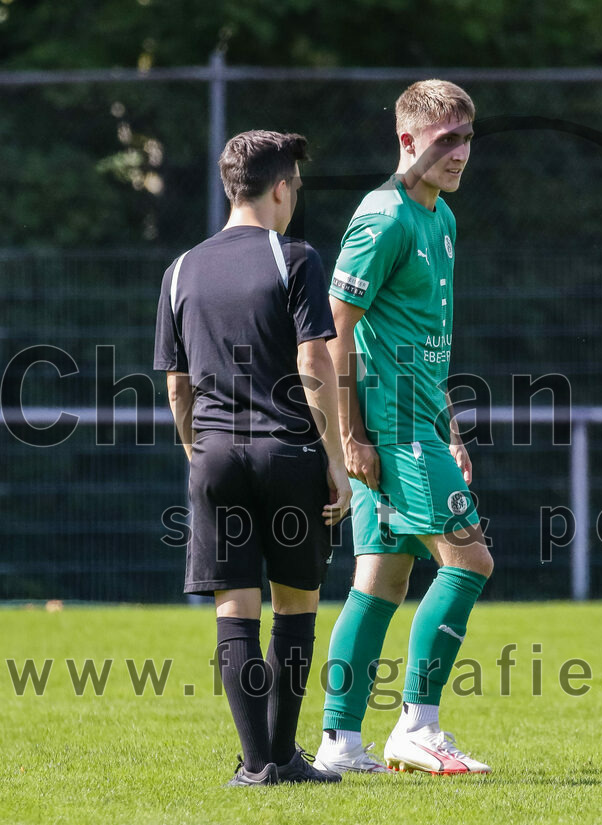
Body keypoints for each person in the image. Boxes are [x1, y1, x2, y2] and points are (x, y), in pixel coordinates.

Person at [154, 130, 351, 786]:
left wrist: (194, 450)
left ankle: (257, 763)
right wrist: (336, 458)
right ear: (280, 187)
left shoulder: (180, 268)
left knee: (233, 607)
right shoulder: (294, 256)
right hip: (287, 451)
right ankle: (283, 755)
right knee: (294, 605)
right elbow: (312, 359)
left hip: (213, 454)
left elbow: (176, 383)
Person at [313, 80, 493, 776]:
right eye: (445, 139)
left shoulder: (440, 218)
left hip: (422, 424)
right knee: (470, 560)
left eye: (467, 137)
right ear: (408, 141)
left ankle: (339, 743)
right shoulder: (384, 218)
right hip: (392, 428)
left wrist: (449, 427)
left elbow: (428, 338)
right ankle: (417, 726)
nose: (459, 153)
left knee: (381, 581)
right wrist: (352, 433)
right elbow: (335, 331)